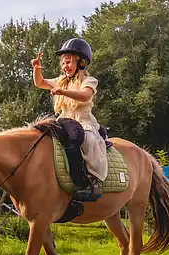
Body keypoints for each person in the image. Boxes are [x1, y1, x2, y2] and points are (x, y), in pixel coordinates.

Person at [31, 37, 107, 201]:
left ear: (81, 63)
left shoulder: (89, 81)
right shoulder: (60, 81)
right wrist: (37, 69)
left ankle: (94, 181)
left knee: (89, 140)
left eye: (69, 62)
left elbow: (85, 96)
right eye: (63, 63)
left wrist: (62, 92)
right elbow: (40, 83)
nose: (65, 66)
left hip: (83, 122)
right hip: (64, 121)